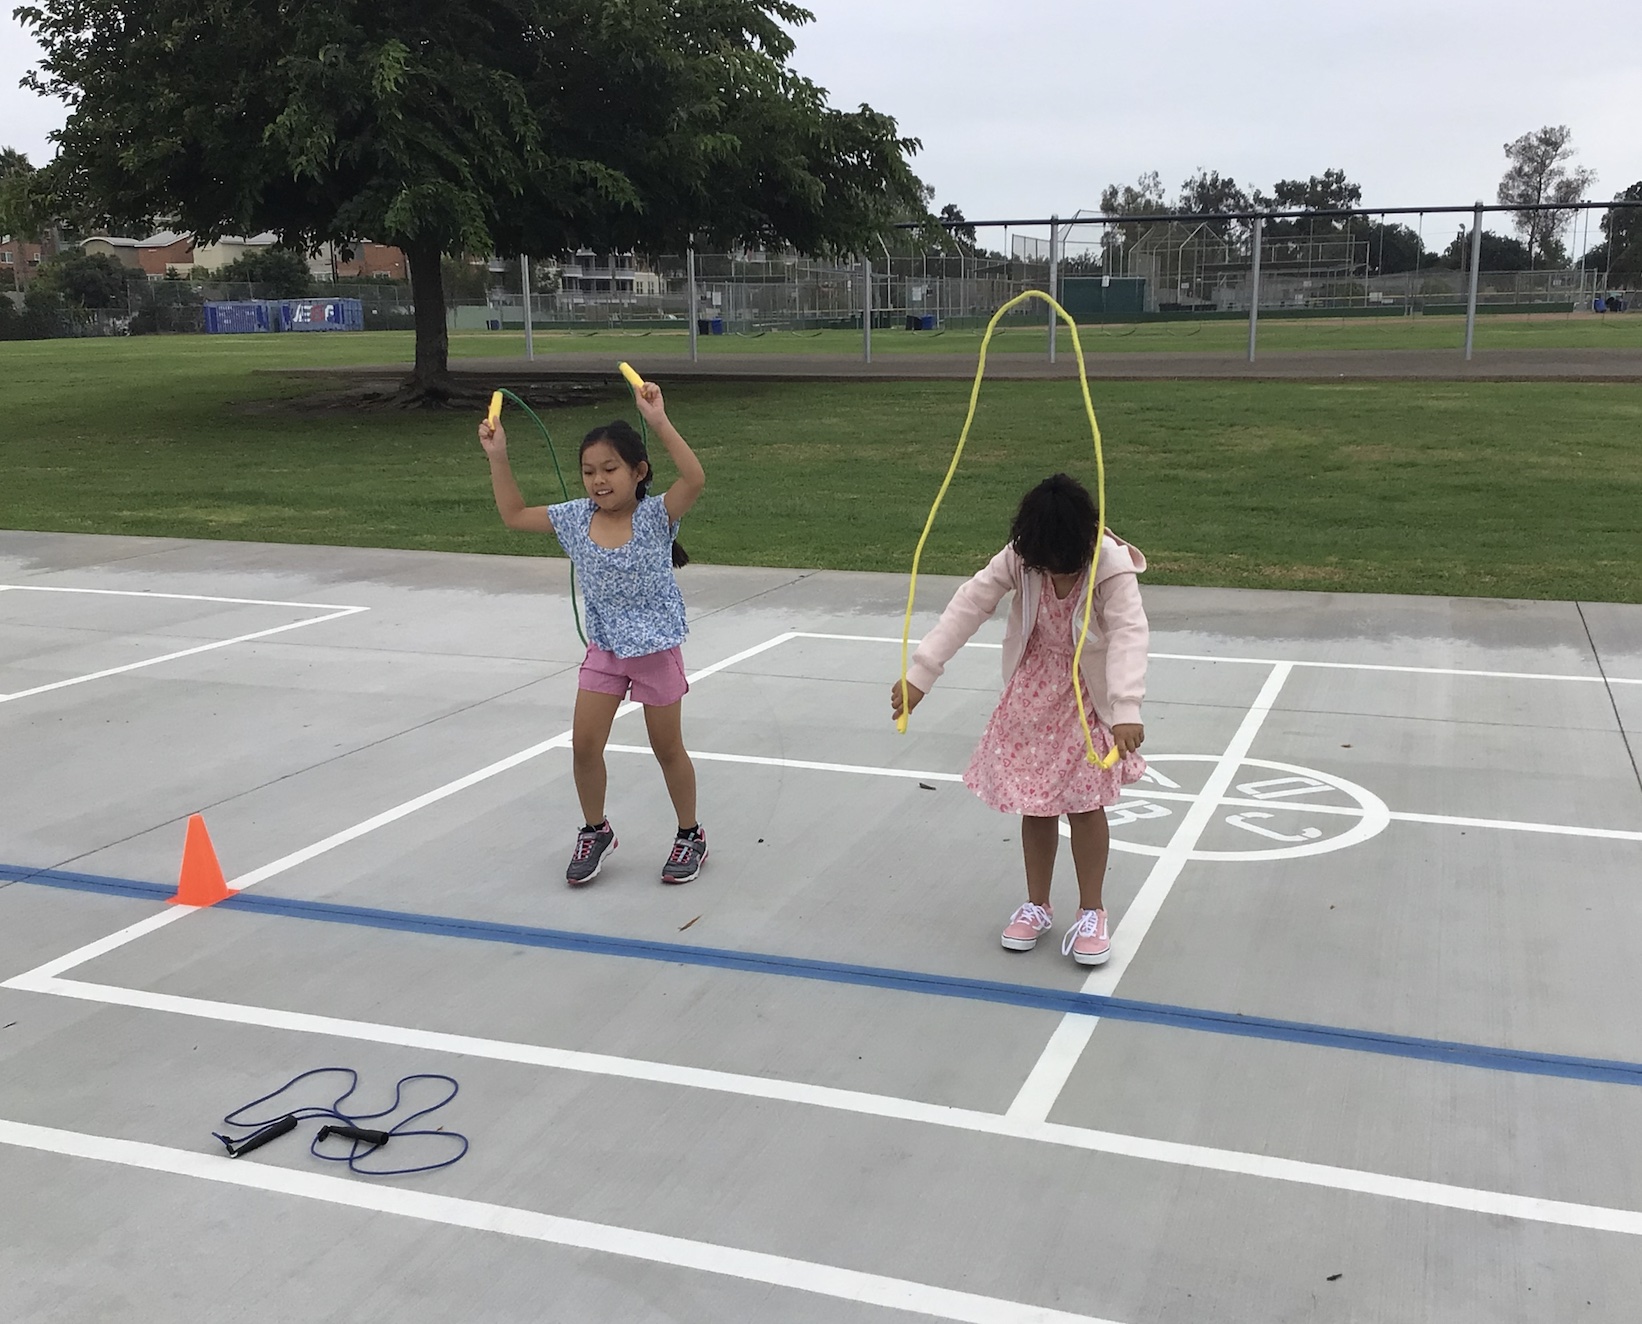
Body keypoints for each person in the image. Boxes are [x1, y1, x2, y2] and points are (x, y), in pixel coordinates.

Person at [890, 473, 1149, 965]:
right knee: (1036, 799)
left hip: (1087, 697)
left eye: (1062, 564)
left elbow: (1130, 633)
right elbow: (971, 602)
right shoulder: (1023, 555)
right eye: (1044, 564)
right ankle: (1037, 903)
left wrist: (1127, 708)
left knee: (1085, 803)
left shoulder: (1109, 566)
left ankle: (1092, 911)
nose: (1052, 572)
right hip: (1033, 693)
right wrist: (921, 674)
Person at [478, 384, 708, 886]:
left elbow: (695, 477)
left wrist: (660, 423)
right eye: (589, 471)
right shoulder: (575, 518)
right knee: (584, 745)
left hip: (654, 649)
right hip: (604, 651)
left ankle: (690, 834)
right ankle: (595, 829)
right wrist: (499, 456)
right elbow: (514, 515)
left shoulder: (655, 516)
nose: (598, 481)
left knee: (668, 749)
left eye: (610, 469)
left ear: (638, 471)